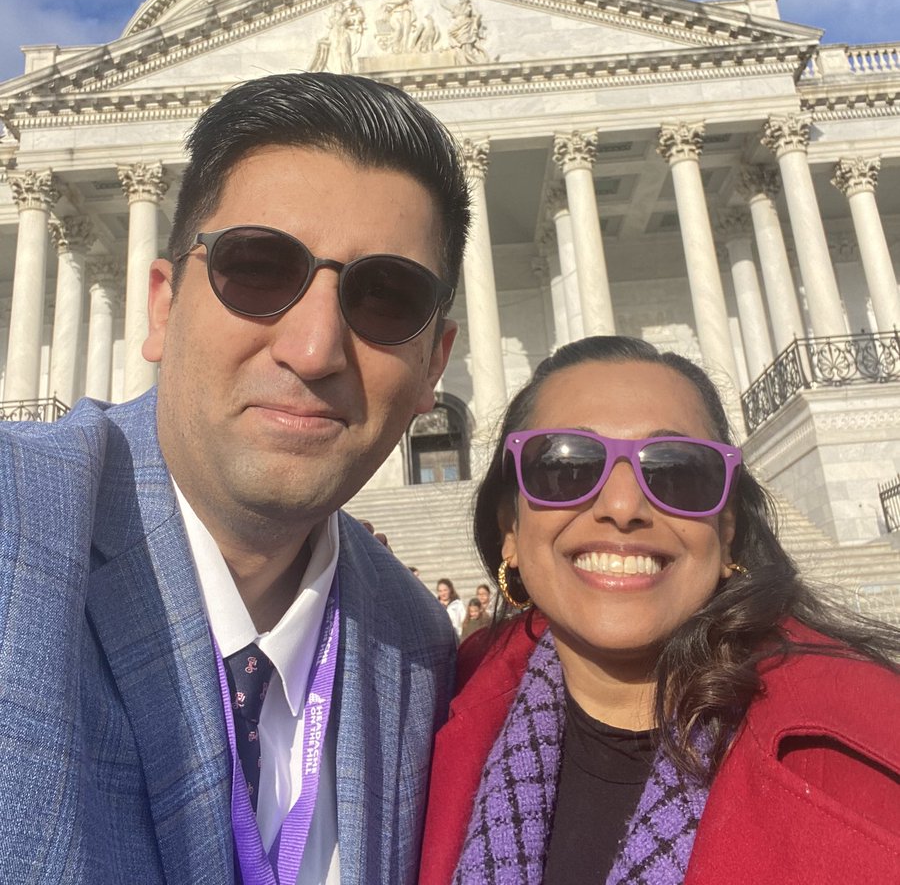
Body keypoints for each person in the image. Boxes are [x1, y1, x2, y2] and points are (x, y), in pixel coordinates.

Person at [0, 71, 471, 885]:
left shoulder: (419, 644)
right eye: (257, 269)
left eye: (387, 297)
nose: (314, 349)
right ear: (162, 304)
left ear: (435, 363)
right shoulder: (22, 529)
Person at [419, 336, 900, 885]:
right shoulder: (428, 709)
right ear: (510, 528)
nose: (622, 508)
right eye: (566, 467)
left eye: (676, 472)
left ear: (726, 529)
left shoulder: (869, 765)